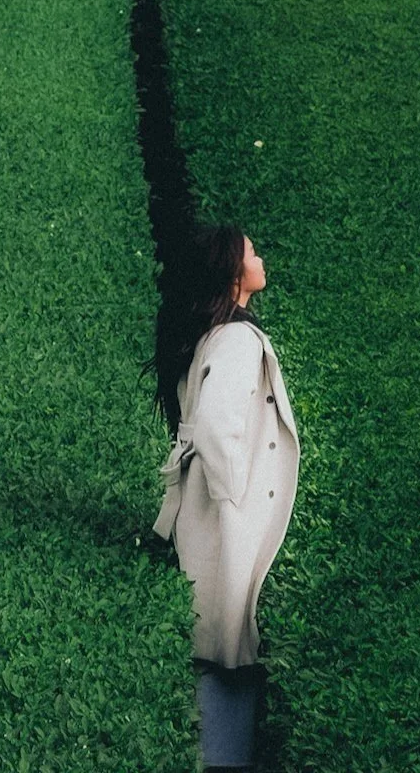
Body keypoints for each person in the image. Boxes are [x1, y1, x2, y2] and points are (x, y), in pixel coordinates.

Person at [148, 224, 300, 772]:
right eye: (252, 251)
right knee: (226, 644)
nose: (261, 256)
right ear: (235, 274)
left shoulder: (214, 334)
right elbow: (214, 425)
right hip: (224, 515)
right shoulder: (236, 339)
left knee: (215, 636)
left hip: (205, 512)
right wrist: (235, 493)